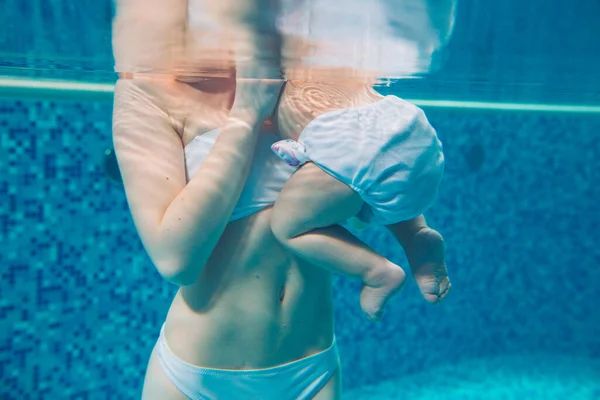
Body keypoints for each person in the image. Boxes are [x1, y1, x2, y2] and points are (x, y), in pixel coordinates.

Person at [111, 0, 451, 398]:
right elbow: (176, 260)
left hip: (310, 370)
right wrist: (245, 117)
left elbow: (365, 155)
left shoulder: (303, 66)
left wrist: (413, 232)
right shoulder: (148, 89)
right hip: (197, 379)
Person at [269, 80, 450, 321]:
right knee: (379, 180)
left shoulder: (279, 65)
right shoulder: (340, 61)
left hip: (348, 144)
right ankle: (416, 234)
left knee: (287, 226)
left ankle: (376, 273)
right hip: (406, 125)